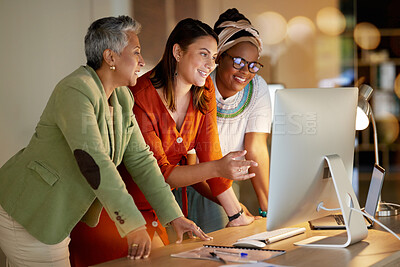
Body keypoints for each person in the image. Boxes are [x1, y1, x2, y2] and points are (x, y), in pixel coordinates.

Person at [0, 15, 211, 267]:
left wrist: (173, 215)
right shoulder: (76, 90)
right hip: (28, 210)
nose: (142, 61)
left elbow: (142, 161)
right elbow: (94, 161)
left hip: (54, 214)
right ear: (110, 58)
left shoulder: (122, 98)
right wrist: (132, 225)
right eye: (136, 52)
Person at [69, 18, 258, 266]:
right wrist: (219, 168)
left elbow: (211, 155)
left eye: (213, 56)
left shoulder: (205, 89)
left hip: (158, 206)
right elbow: (160, 173)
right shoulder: (137, 97)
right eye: (203, 54)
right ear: (178, 52)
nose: (210, 64)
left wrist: (236, 214)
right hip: (116, 209)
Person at [212, 8, 272, 216]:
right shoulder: (201, 85)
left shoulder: (257, 87)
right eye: (238, 62)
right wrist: (233, 207)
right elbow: (197, 160)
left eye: (253, 65)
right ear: (219, 56)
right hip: (195, 182)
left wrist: (268, 209)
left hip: (227, 183)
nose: (245, 71)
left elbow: (255, 147)